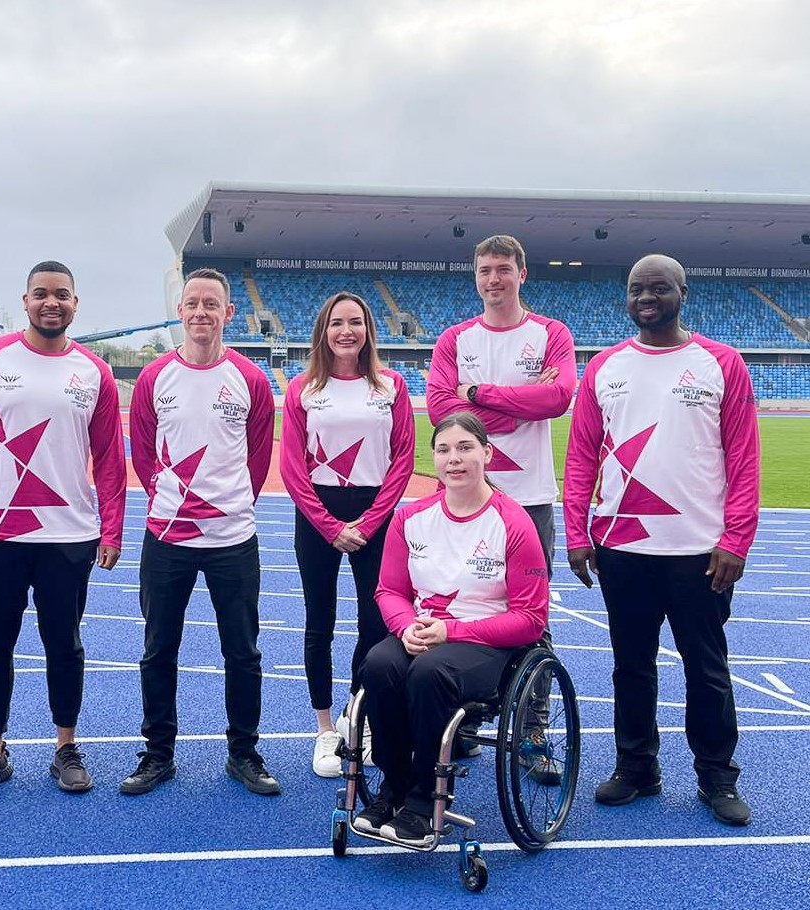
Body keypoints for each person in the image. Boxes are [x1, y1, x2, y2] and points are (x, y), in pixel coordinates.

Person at [563, 254, 759, 827]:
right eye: (635, 289)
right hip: (623, 547)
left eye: (658, 288)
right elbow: (580, 458)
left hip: (700, 551)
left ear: (683, 292)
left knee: (706, 668)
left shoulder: (721, 363)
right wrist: (577, 530)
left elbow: (744, 462)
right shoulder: (605, 367)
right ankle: (636, 767)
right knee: (631, 664)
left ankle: (717, 776)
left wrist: (736, 540)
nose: (646, 297)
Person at [0, 261, 126, 795]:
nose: (52, 303)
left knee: (64, 645)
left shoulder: (94, 372)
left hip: (69, 534)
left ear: (75, 304)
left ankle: (66, 746)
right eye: (41, 294)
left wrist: (111, 528)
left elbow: (110, 457)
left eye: (62, 295)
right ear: (24, 301)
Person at [353, 413, 548, 847]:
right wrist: (405, 628)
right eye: (444, 450)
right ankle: (394, 786)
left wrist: (451, 631)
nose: (453, 459)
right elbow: (389, 591)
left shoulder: (513, 523)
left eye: (465, 448)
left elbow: (531, 619)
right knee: (379, 663)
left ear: (487, 454)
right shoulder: (411, 519)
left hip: (486, 641)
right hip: (421, 631)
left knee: (429, 673)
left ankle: (423, 799)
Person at [120, 267, 279, 797]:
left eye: (212, 304)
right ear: (181, 311)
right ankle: (158, 753)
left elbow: (258, 461)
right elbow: (142, 455)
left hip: (233, 539)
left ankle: (243, 752)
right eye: (193, 303)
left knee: (243, 651)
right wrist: (176, 506)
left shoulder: (252, 381)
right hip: (167, 538)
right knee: (159, 648)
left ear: (228, 313)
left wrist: (227, 508)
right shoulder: (154, 378)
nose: (201, 313)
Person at [279, 291, 415, 777]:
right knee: (320, 622)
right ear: (324, 330)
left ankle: (359, 717)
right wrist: (331, 527)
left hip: (374, 517)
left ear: (367, 331)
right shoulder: (303, 389)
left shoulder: (391, 386)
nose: (346, 331)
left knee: (374, 625)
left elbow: (402, 461)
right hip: (319, 517)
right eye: (337, 323)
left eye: (355, 322)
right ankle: (322, 730)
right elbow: (292, 469)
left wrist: (371, 522)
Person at [426, 234, 575, 574]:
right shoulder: (455, 338)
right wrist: (520, 412)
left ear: (522, 274)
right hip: (463, 495)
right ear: (476, 277)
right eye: (485, 271)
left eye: (504, 269)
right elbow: (438, 411)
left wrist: (476, 394)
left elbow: (557, 398)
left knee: (532, 607)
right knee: (460, 597)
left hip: (530, 497)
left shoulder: (551, 333)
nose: (494, 279)